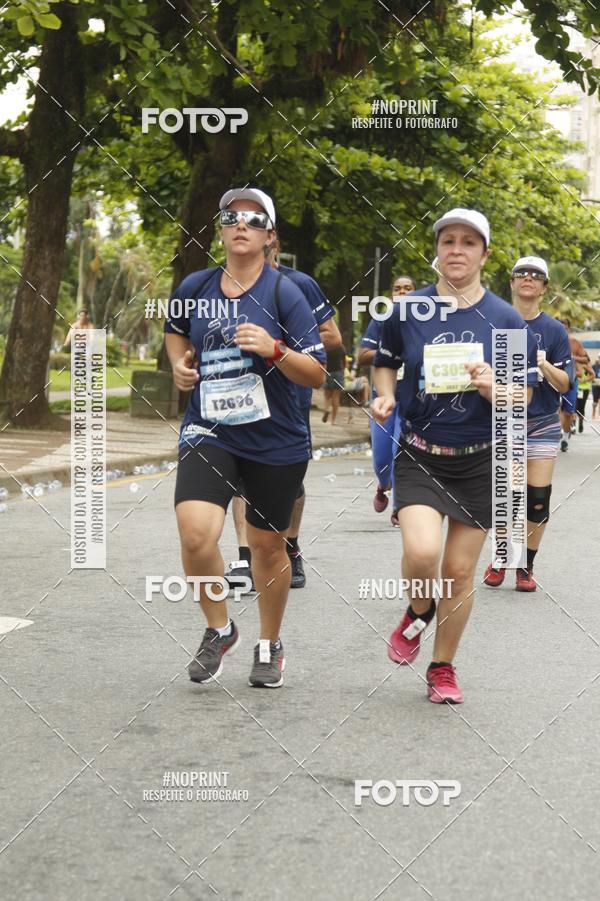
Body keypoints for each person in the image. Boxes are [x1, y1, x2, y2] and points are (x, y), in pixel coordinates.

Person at [372, 208, 537, 704]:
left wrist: (494, 386)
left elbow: (524, 396)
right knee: (422, 553)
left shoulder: (506, 318)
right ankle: (419, 610)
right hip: (421, 451)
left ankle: (442, 667)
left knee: (460, 572)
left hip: (480, 458)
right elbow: (385, 364)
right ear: (437, 250)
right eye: (448, 241)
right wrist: (383, 397)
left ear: (484, 254)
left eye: (468, 242)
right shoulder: (408, 310)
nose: (457, 250)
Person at [164, 187, 325, 688]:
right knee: (195, 533)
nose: (241, 224)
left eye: (254, 219)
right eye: (230, 217)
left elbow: (317, 372)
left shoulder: (285, 293)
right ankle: (220, 627)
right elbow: (175, 330)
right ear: (220, 230)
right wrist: (177, 364)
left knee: (266, 548)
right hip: (209, 430)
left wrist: (275, 348)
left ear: (269, 235)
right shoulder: (195, 285)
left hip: (275, 440)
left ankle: (269, 643)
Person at [225, 236, 342, 592]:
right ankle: (246, 558)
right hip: (240, 389)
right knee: (240, 471)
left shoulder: (299, 284)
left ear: (273, 239)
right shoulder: (225, 284)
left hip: (289, 391)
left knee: (288, 478)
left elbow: (331, 336)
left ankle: (290, 548)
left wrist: (280, 345)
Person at [484, 256, 572, 592]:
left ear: (544, 287)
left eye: (536, 276)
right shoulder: (492, 322)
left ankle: (526, 565)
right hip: (504, 421)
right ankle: (501, 558)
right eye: (522, 274)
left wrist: (543, 364)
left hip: (542, 423)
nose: (528, 279)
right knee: (507, 496)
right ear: (511, 282)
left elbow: (565, 383)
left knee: (537, 499)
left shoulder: (553, 330)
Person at [357, 274, 415, 525]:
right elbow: (363, 355)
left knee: (401, 451)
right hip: (384, 397)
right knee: (382, 457)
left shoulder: (423, 323)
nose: (402, 293)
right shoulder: (381, 320)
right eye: (397, 289)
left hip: (412, 399)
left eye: (407, 289)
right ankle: (383, 484)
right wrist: (392, 352)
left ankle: (400, 506)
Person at [558, 319, 594, 450]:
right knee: (554, 410)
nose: (562, 329)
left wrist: (573, 358)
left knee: (568, 413)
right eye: (559, 327)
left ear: (569, 329)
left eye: (565, 327)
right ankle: (557, 433)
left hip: (571, 382)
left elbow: (586, 359)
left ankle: (565, 437)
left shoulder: (574, 343)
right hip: (553, 381)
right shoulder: (551, 341)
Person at [322, 343, 346, 424]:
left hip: (327, 372)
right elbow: (345, 362)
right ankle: (333, 420)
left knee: (327, 396)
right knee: (336, 396)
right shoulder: (340, 346)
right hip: (338, 372)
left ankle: (327, 409)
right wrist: (343, 370)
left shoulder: (325, 346)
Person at [592, 354, 600, 419]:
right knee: (595, 401)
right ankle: (594, 411)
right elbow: (591, 375)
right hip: (595, 385)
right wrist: (595, 379)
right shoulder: (594, 366)